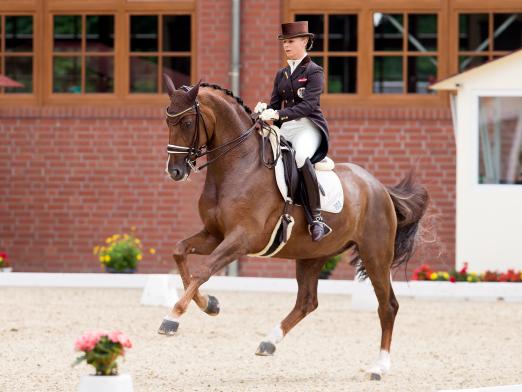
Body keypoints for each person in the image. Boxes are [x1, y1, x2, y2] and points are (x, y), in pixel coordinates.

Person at [255, 20, 331, 242]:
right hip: (286, 126)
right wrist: (264, 111)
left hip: (309, 126)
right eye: (284, 42)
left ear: (305, 41)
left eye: (290, 41)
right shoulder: (282, 74)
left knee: (299, 156)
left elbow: (308, 105)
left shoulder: (314, 71)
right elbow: (275, 103)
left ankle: (316, 218)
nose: (286, 46)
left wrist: (277, 115)